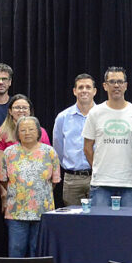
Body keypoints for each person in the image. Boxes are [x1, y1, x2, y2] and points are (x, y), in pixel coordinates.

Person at [83, 67, 132, 208]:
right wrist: (99, 168)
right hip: (101, 184)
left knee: (129, 221)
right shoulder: (95, 113)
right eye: (112, 82)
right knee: (100, 221)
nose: (116, 85)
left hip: (129, 183)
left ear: (126, 85)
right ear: (105, 86)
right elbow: (87, 148)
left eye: (120, 82)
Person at [0, 116, 60, 258]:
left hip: (42, 210)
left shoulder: (49, 152)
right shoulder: (9, 153)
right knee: (16, 249)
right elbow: (3, 179)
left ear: (38, 132)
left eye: (31, 129)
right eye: (23, 130)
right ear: (17, 133)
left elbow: (55, 181)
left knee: (37, 250)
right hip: (16, 211)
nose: (27, 133)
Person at [52, 73, 97, 206]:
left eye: (88, 87)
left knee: (99, 215)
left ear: (94, 91)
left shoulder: (103, 115)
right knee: (72, 217)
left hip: (98, 177)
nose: (84, 90)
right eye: (80, 87)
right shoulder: (63, 117)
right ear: (74, 91)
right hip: (72, 179)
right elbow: (58, 149)